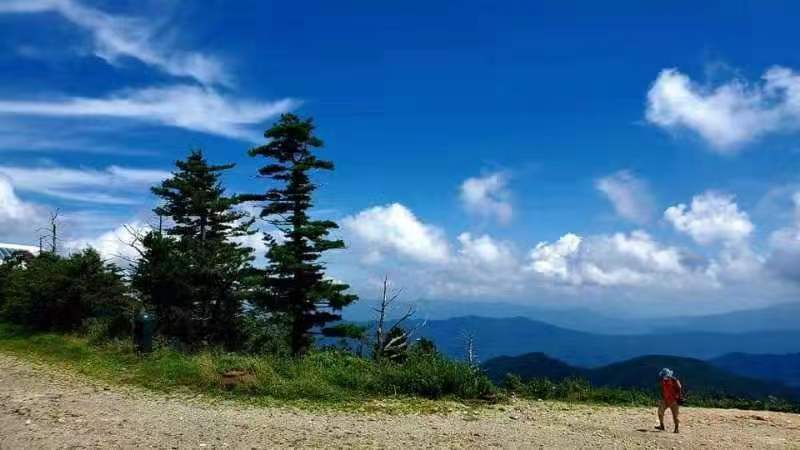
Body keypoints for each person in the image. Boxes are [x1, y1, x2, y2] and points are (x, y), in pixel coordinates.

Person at [656, 368, 682, 433]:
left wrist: (679, 397)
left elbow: (679, 388)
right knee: (660, 412)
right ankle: (661, 425)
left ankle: (676, 428)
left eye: (663, 375)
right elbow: (664, 390)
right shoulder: (663, 381)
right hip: (665, 399)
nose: (662, 377)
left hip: (674, 401)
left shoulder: (674, 380)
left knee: (675, 416)